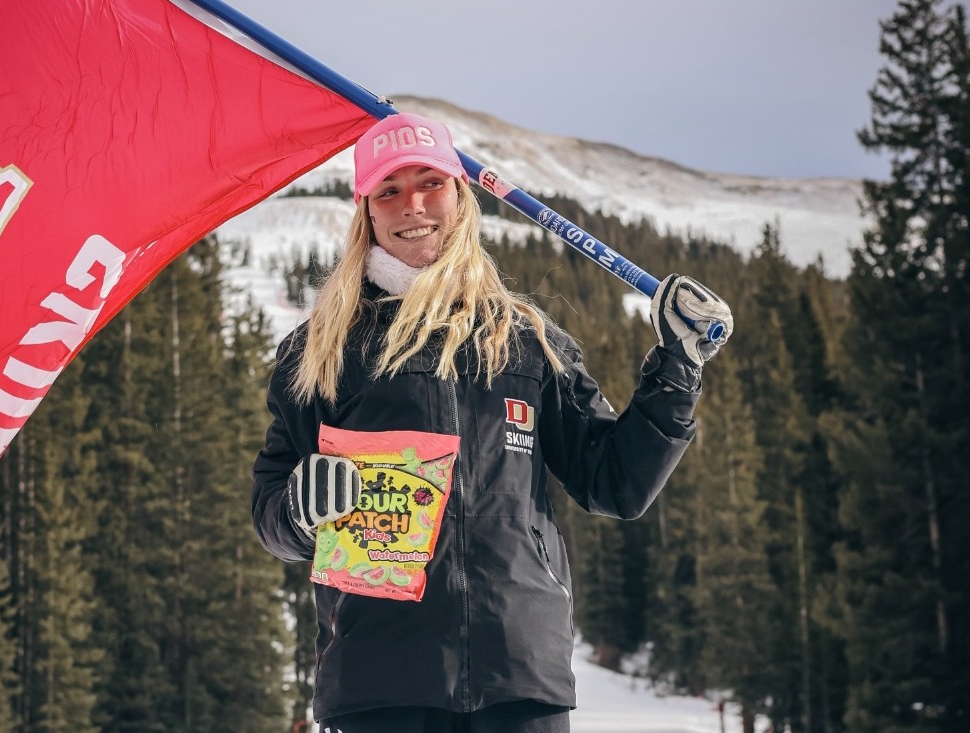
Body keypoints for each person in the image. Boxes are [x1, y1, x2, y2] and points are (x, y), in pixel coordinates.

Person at [250, 112, 732, 733]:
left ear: (460, 195)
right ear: (365, 211)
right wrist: (297, 510)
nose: (412, 205)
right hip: (379, 681)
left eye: (431, 183)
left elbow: (615, 483)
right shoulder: (322, 349)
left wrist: (676, 372)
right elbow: (271, 509)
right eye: (389, 190)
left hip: (519, 674)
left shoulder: (528, 341)